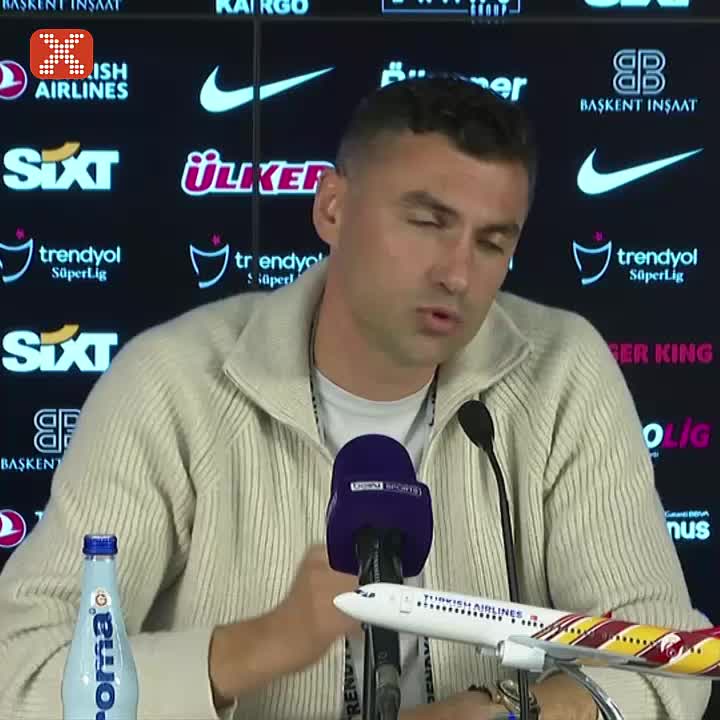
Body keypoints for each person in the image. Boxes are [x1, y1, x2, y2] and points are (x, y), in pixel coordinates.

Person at [0, 75, 712, 720]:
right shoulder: (171, 383)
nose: (459, 275)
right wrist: (259, 645)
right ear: (333, 208)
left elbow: (673, 656)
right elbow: (20, 672)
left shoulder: (561, 371)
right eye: (427, 223)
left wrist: (503, 712)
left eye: (492, 243)